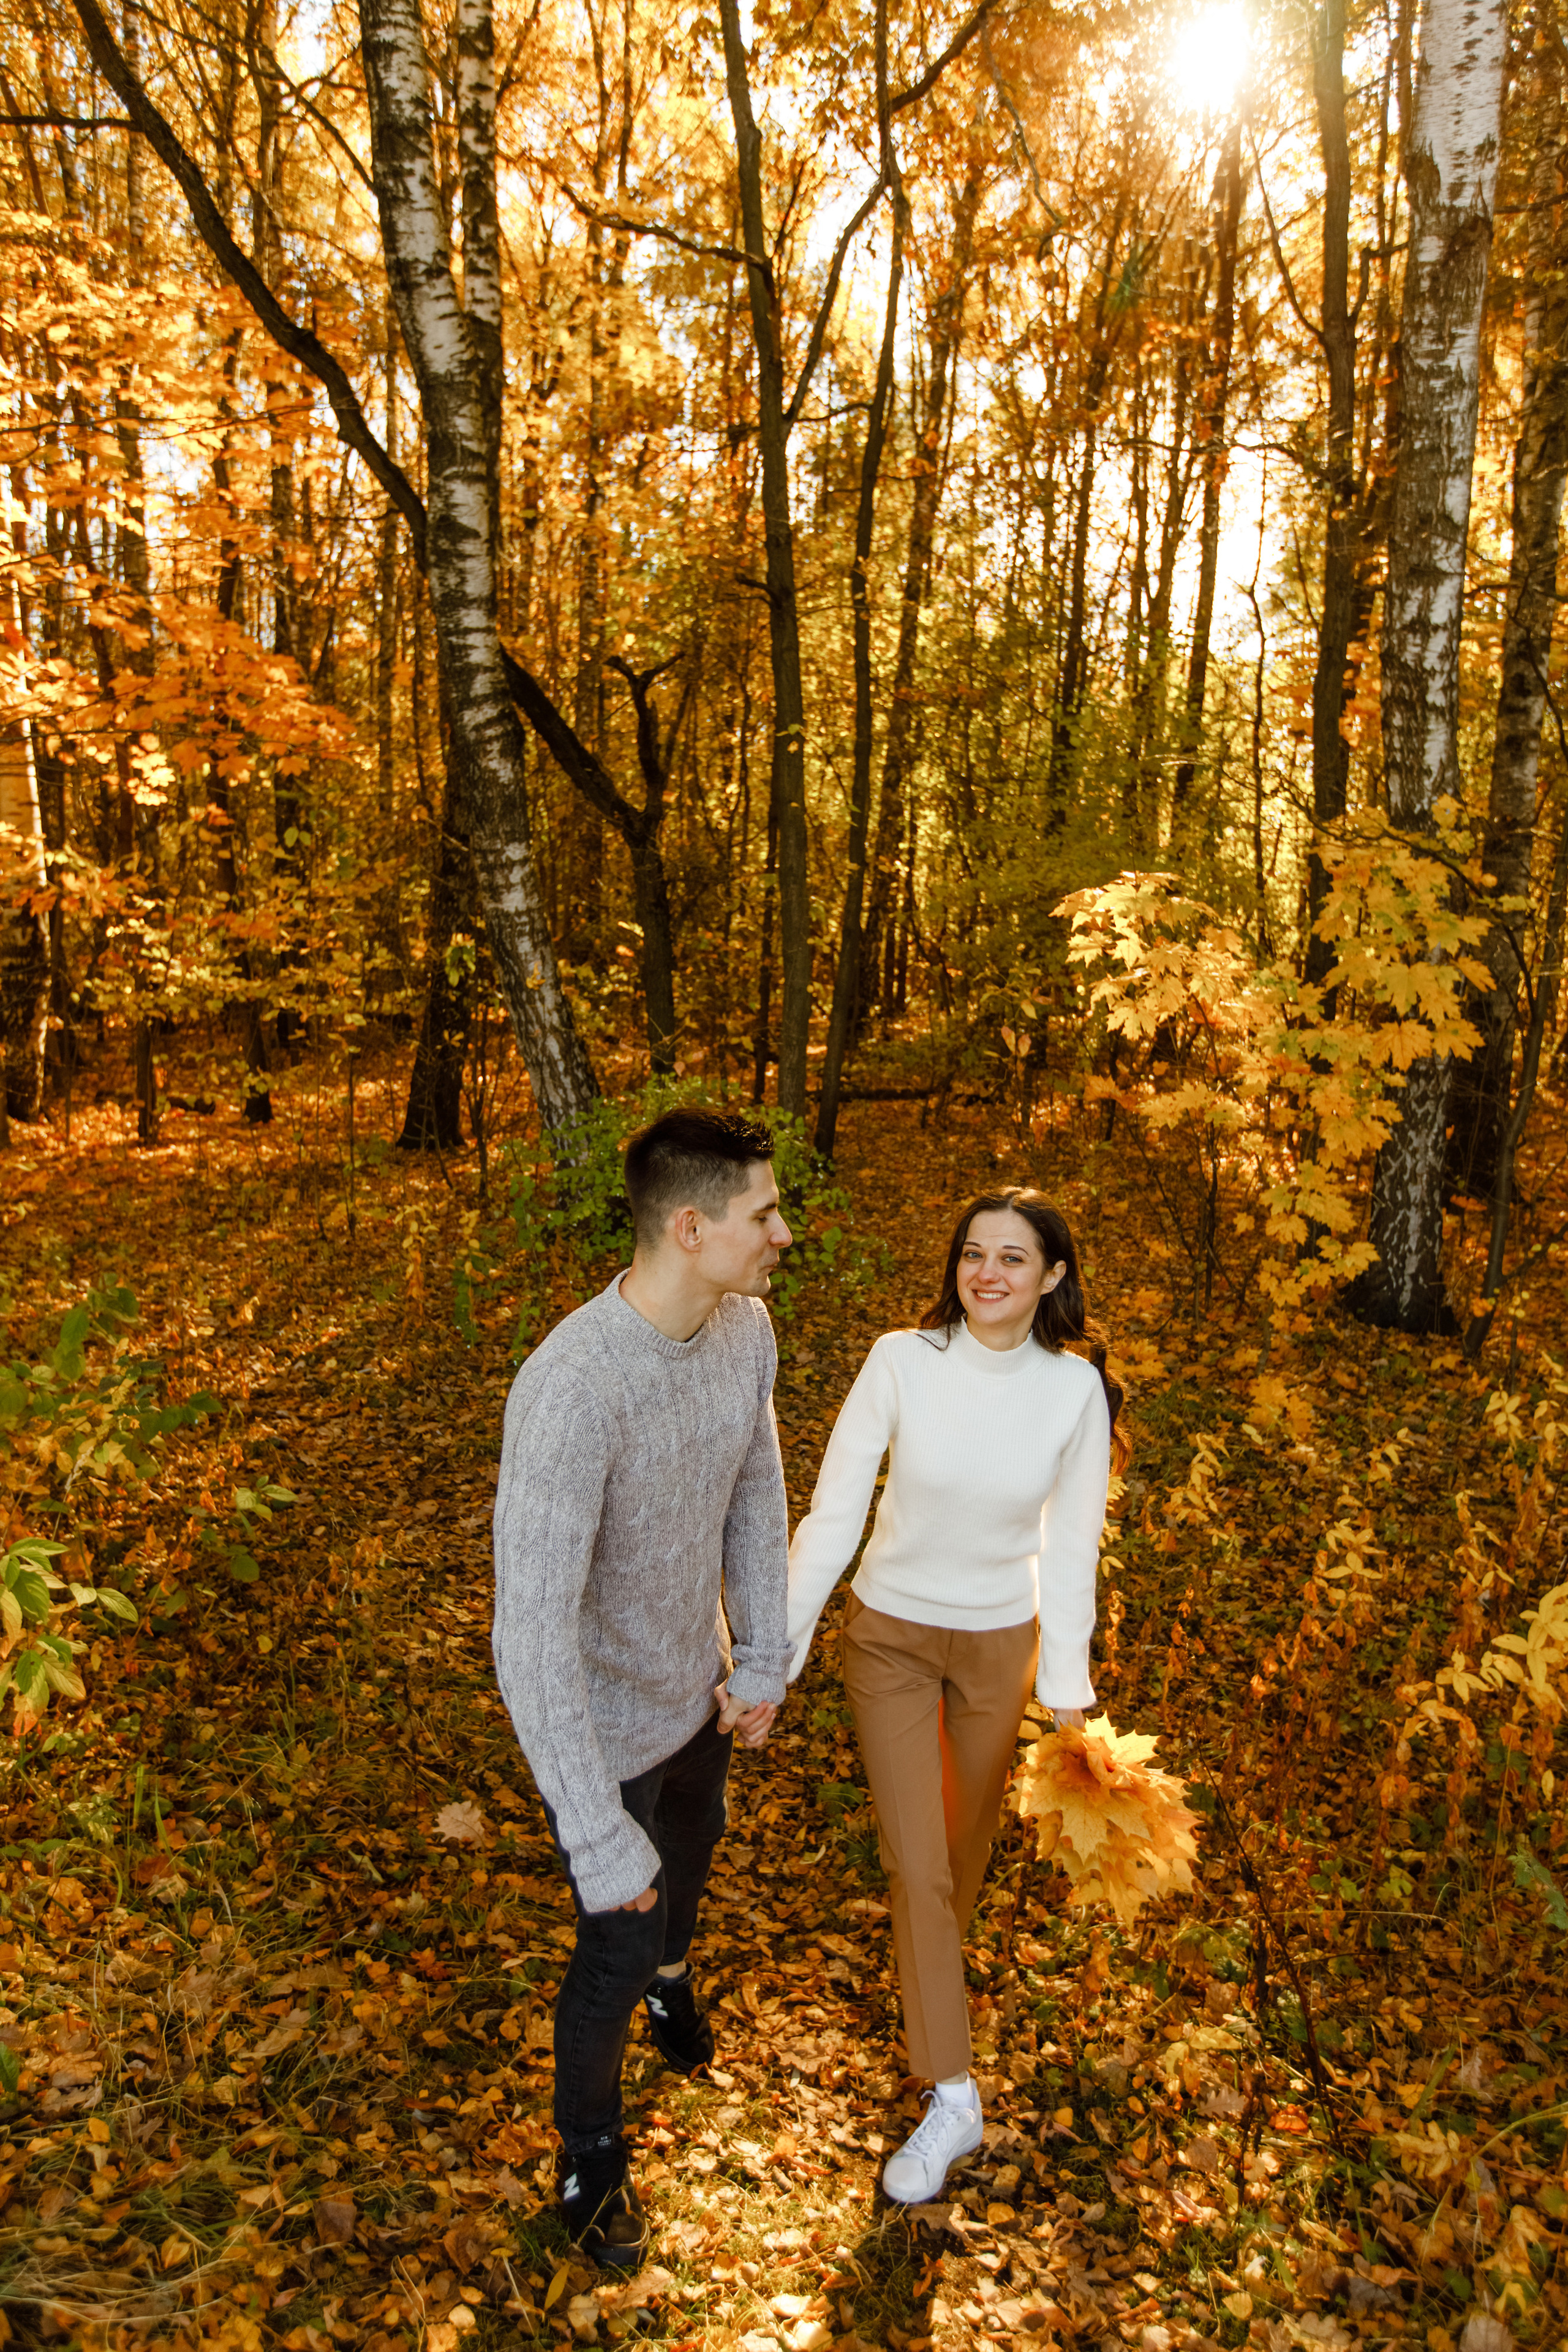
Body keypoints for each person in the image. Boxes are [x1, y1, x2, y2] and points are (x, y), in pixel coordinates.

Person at [492, 1107, 794, 2267]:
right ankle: (589, 2151)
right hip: (604, 1735)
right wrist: (588, 1827)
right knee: (612, 1941)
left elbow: (756, 1494)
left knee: (696, 1852)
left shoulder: (745, 1331)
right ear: (689, 1225)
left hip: (697, 1698)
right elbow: (528, 1638)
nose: (782, 1231)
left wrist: (760, 1653)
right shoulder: (571, 1389)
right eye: (762, 1212)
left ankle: (676, 1975)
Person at [785, 1186, 1126, 2204]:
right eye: (975, 1254)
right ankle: (954, 2096)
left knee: (959, 1860)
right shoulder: (902, 1360)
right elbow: (836, 1509)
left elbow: (1071, 1547)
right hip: (890, 1637)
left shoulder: (1074, 1394)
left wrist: (1069, 1693)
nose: (988, 1273)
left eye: (1014, 1259)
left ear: (1053, 1276)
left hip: (999, 1650)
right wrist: (779, 1651)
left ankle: (927, 1989)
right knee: (920, 1867)